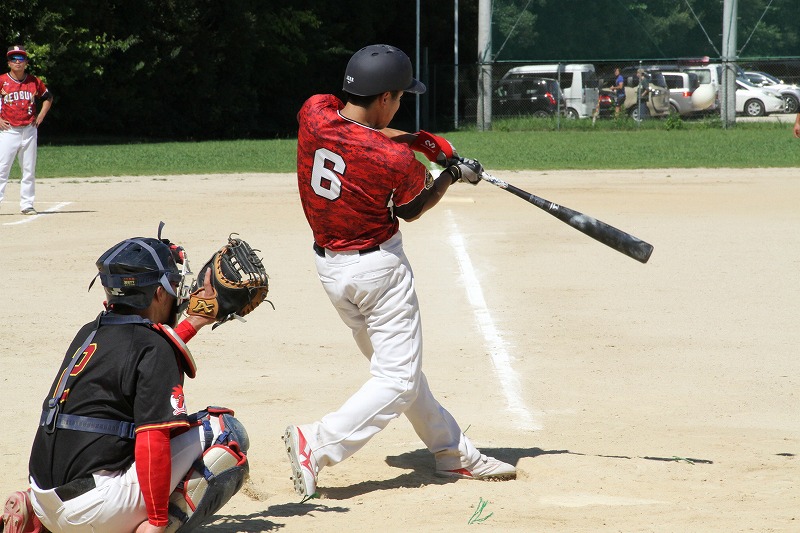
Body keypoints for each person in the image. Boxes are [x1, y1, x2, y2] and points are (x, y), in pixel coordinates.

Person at [287, 43, 516, 502]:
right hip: (379, 276)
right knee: (397, 380)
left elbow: (359, 131)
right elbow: (412, 208)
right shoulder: (394, 162)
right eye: (399, 97)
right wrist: (451, 173)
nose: (400, 105)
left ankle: (453, 453)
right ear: (386, 97)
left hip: (331, 272)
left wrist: (416, 140)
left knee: (400, 371)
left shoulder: (314, 112)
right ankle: (318, 442)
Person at [2, 229, 250, 533]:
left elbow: (145, 351)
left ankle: (36, 517)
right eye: (173, 285)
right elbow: (153, 442)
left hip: (44, 497)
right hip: (94, 510)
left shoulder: (91, 333)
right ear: (158, 293)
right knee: (226, 432)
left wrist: (195, 322)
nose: (178, 294)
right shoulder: (153, 348)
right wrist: (157, 521)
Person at [0, 45, 52, 215]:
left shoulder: (34, 81)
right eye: (13, 58)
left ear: (26, 62)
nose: (17, 61)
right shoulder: (2, 80)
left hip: (29, 130)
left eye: (21, 58)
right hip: (9, 130)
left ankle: (27, 204)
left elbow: (48, 97)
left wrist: (41, 116)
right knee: (2, 168)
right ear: (9, 62)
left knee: (28, 169)